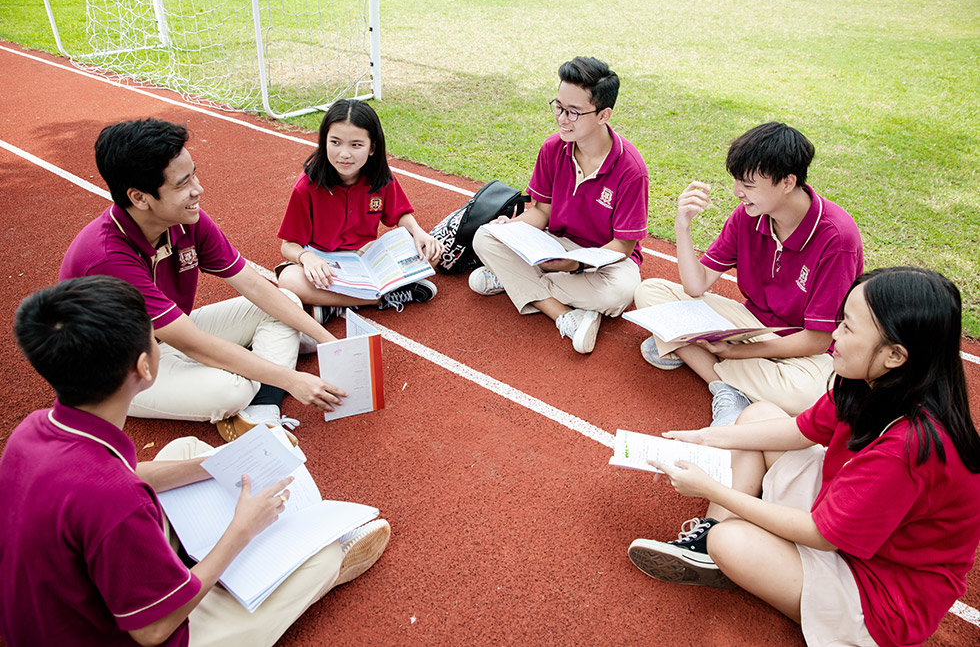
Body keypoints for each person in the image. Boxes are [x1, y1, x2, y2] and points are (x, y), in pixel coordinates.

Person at [0, 275, 390, 647]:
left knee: (188, 450)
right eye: (153, 337)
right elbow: (153, 631)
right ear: (145, 366)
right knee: (319, 561)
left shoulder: (33, 429)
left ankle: (192, 557)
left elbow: (122, 478)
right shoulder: (118, 502)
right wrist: (242, 528)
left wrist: (215, 462)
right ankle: (314, 566)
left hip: (53, 612)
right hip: (133, 631)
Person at [627, 268, 980, 647]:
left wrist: (713, 488)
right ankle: (711, 540)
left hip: (880, 593)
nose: (834, 336)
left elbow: (822, 535)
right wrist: (706, 436)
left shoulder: (908, 449)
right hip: (857, 523)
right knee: (759, 413)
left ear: (894, 355)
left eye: (848, 328)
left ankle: (721, 543)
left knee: (732, 542)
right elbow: (800, 431)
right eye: (841, 321)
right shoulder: (872, 382)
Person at [60, 118, 346, 442]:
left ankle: (262, 407)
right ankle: (263, 379)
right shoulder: (108, 258)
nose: (198, 189)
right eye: (183, 184)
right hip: (120, 371)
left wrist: (329, 342)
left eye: (193, 173)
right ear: (139, 198)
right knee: (229, 390)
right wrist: (290, 378)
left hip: (168, 335)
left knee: (287, 301)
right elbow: (192, 342)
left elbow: (252, 284)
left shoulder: (184, 219)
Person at [633, 122, 863, 425]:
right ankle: (724, 387)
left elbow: (817, 341)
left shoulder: (837, 239)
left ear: (787, 182)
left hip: (804, 350)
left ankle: (687, 348)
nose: (737, 192)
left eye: (749, 184)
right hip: (750, 326)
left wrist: (733, 353)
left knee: (806, 396)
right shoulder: (747, 215)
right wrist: (682, 225)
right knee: (649, 291)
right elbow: (695, 285)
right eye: (737, 181)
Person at [469, 57, 649, 354]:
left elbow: (623, 247)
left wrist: (576, 263)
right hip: (553, 244)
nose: (562, 118)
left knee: (620, 293)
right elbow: (541, 212)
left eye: (574, 112)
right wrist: (510, 229)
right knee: (484, 236)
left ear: (604, 115)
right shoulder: (552, 148)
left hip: (603, 259)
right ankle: (565, 314)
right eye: (559, 106)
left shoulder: (631, 169)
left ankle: (513, 279)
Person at [276, 99, 443, 320]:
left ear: (372, 147)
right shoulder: (306, 186)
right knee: (288, 280)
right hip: (325, 263)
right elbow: (289, 245)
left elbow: (400, 214)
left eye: (356, 145)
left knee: (430, 253)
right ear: (324, 141)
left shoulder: (380, 178)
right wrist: (307, 258)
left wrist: (419, 231)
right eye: (335, 142)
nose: (344, 153)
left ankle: (332, 304)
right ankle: (381, 297)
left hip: (366, 257)